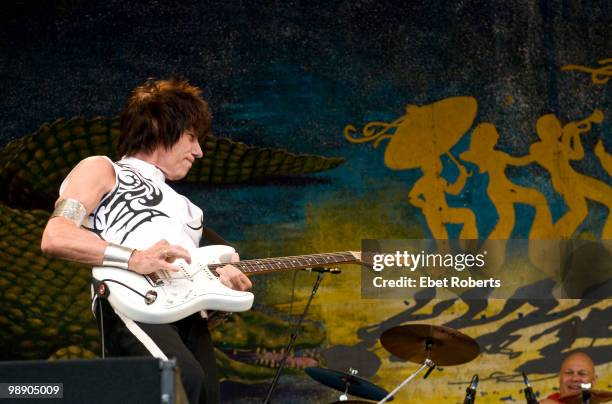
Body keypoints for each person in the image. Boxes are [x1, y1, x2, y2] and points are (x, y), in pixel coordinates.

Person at [41, 77, 252, 404]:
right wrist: (134, 257)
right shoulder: (103, 170)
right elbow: (56, 235)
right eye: (192, 137)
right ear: (157, 126)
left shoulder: (187, 210)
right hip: (133, 298)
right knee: (181, 381)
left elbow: (206, 274)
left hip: (184, 312)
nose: (198, 151)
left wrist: (223, 292)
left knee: (208, 395)